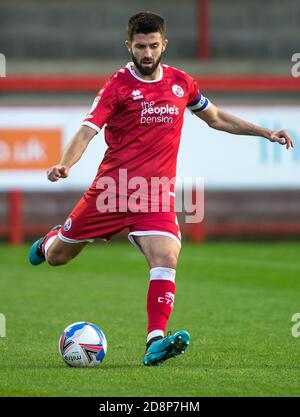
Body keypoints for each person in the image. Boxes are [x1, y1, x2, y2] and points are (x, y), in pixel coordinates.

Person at [29, 12, 294, 366]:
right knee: (57, 258)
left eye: (154, 46)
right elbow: (86, 131)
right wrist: (66, 164)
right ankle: (50, 240)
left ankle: (155, 341)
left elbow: (216, 118)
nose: (148, 53)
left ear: (164, 44)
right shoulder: (117, 86)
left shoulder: (181, 83)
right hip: (112, 190)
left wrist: (265, 132)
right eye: (140, 46)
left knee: (166, 257)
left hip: (155, 195)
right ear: (129, 46)